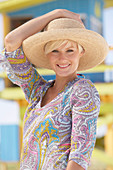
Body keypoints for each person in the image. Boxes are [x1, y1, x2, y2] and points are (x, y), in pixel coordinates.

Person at [0, 9, 109, 170]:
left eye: (70, 50)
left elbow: (80, 156)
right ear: (47, 54)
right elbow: (11, 41)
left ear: (81, 52)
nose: (62, 58)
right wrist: (56, 13)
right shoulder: (37, 90)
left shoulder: (82, 91)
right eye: (54, 50)